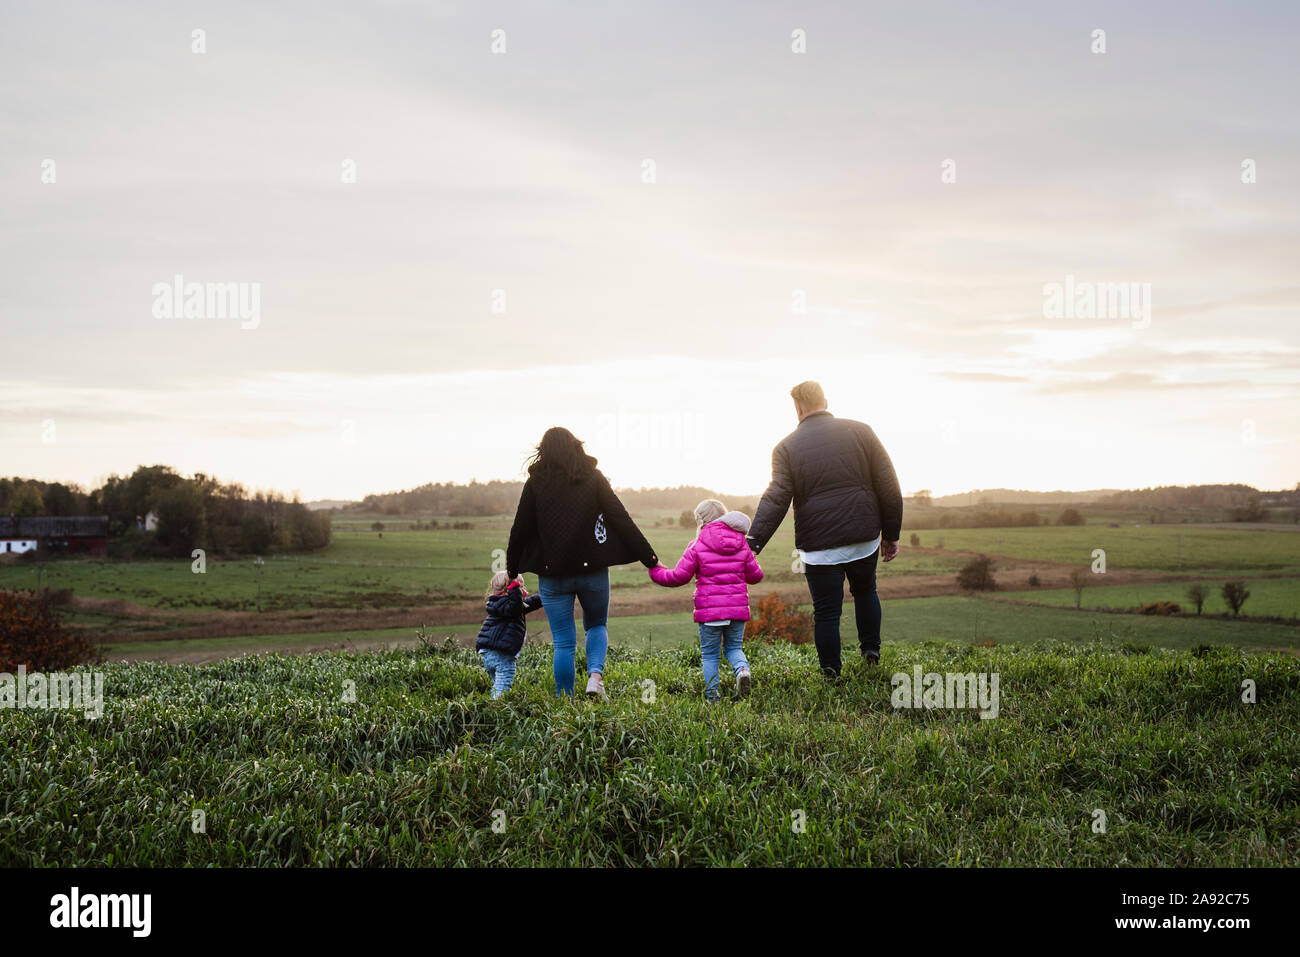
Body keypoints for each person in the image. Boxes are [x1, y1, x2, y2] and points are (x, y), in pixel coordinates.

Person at [747, 381, 903, 679]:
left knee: (827, 612)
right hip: (863, 537)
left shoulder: (786, 448)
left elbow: (776, 497)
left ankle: (831, 672)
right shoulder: (861, 431)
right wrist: (891, 533)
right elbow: (888, 484)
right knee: (866, 590)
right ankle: (870, 651)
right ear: (825, 401)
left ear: (798, 407)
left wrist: (752, 544)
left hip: (819, 547)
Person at [506, 427, 658, 699]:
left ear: (544, 452)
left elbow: (520, 529)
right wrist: (650, 559)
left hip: (553, 575)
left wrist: (512, 571)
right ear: (576, 447)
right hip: (593, 572)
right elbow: (620, 518)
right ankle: (595, 678)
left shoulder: (536, 483)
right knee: (597, 625)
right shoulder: (593, 478)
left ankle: (566, 701)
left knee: (563, 642)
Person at [648, 499, 763, 702]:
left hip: (710, 613)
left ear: (700, 521)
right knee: (734, 649)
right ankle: (743, 670)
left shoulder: (697, 545)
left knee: (710, 655)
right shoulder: (741, 543)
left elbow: (678, 577)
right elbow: (756, 577)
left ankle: (713, 698)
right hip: (737, 611)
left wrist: (656, 570)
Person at [475, 571, 543, 698]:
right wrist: (515, 587)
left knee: (498, 684)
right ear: (509, 590)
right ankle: (497, 710)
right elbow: (517, 605)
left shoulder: (505, 606)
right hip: (501, 655)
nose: (523, 589)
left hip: (488, 653)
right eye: (520, 586)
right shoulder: (511, 607)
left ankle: (493, 705)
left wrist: (544, 597)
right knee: (502, 687)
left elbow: (528, 604)